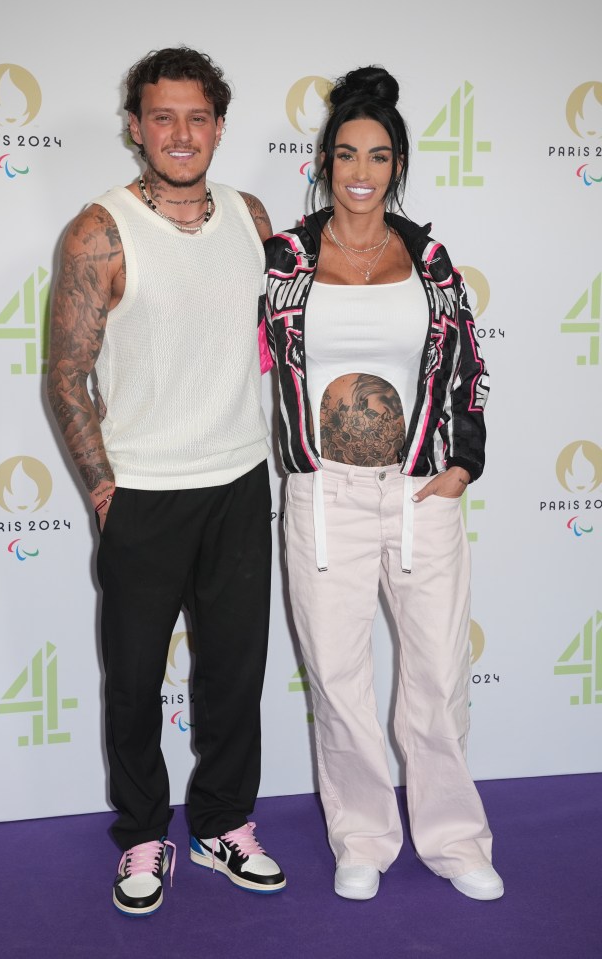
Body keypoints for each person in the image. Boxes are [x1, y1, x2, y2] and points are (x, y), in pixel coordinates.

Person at [47, 47, 285, 917]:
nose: (180, 134)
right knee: (135, 676)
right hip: (141, 491)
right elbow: (67, 374)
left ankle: (224, 822)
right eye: (162, 117)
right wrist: (104, 489)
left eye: (197, 117)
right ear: (137, 126)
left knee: (234, 671)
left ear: (219, 125)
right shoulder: (98, 229)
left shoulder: (255, 219)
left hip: (237, 481)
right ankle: (144, 832)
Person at [262, 66, 502, 902]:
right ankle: (361, 836)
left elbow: (467, 369)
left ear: (397, 163)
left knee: (436, 675)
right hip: (321, 500)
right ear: (324, 161)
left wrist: (463, 460)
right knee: (338, 679)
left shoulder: (430, 261)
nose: (360, 172)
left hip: (418, 496)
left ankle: (455, 840)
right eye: (345, 155)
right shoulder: (284, 259)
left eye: (378, 155)